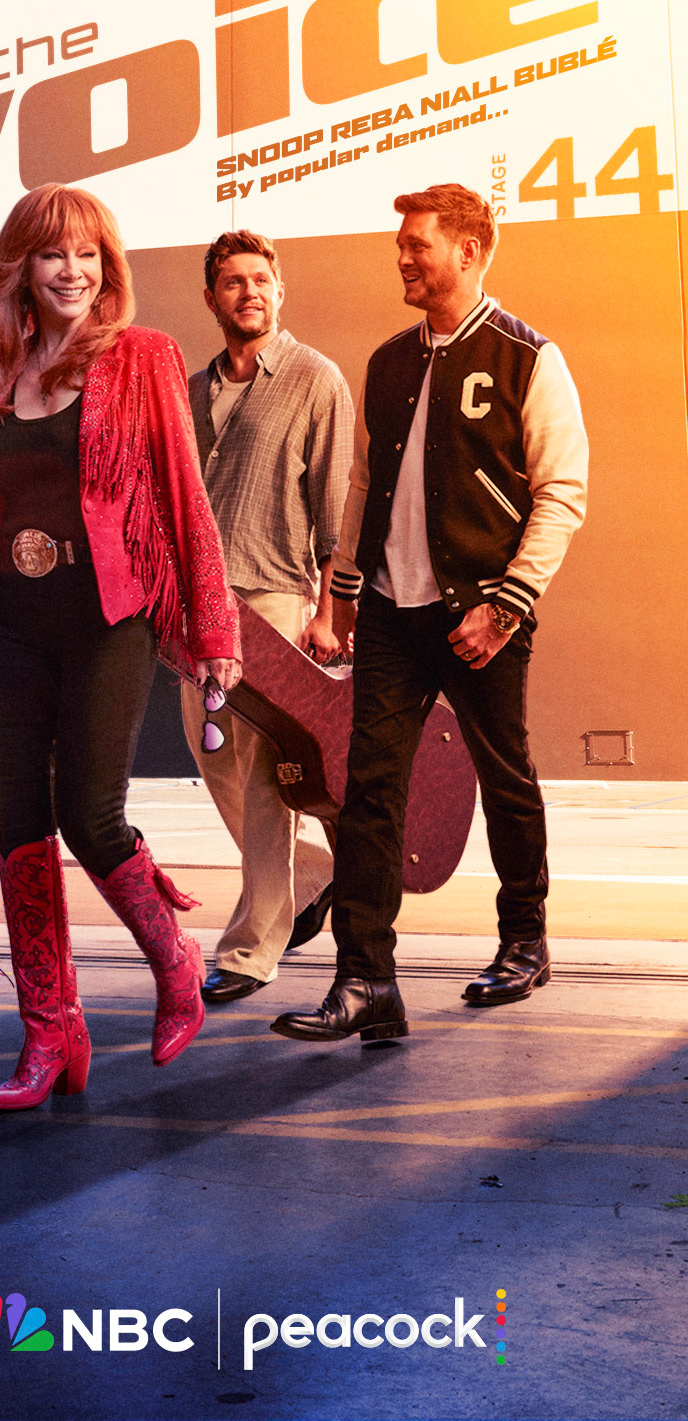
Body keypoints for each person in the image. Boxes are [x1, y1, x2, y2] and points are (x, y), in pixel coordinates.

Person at [0, 183, 241, 1110]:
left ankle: (175, 963)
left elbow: (184, 495)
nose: (74, 271)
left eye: (89, 254)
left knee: (90, 814)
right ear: (21, 268)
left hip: (108, 619)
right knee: (20, 826)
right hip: (16, 623)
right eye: (54, 254)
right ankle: (50, 1032)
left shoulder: (143, 357)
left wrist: (213, 627)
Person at [271, 183, 588, 1046]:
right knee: (369, 789)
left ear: (469, 250)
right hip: (388, 612)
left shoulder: (529, 357)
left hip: (482, 615)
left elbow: (562, 494)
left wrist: (507, 606)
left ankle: (524, 940)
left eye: (418, 244)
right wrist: (343, 594)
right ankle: (366, 979)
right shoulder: (387, 362)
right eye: (401, 244)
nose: (403, 257)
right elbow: (363, 485)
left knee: (504, 776)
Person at [183, 231, 352, 1003]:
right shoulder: (192, 390)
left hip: (276, 596)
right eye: (232, 281)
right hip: (201, 606)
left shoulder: (316, 378)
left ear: (279, 292)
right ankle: (313, 873)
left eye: (260, 279)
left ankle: (253, 948)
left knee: (257, 770)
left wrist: (329, 611)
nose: (248, 291)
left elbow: (335, 511)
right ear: (211, 297)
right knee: (213, 753)